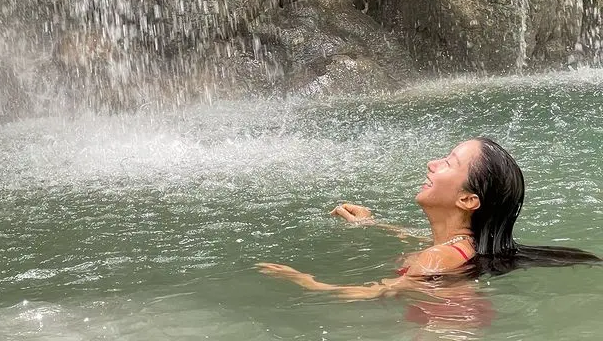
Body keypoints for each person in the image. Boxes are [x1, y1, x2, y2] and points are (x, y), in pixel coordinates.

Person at [257, 136, 600, 300]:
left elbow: (373, 293)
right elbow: (415, 239)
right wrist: (369, 223)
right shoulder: (462, 248)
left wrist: (303, 281)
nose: (432, 164)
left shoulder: (436, 259)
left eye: (448, 163)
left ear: (468, 200)